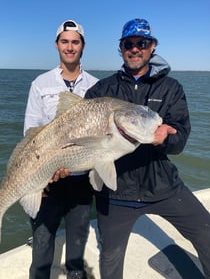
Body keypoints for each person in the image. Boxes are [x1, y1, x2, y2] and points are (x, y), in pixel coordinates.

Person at [84, 18, 210, 279]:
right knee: (110, 258)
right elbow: (82, 135)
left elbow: (180, 138)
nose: (134, 49)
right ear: (121, 49)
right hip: (116, 191)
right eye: (128, 44)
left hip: (163, 186)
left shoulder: (171, 88)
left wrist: (165, 138)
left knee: (206, 231)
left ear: (152, 47)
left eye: (141, 43)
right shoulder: (102, 90)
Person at [24, 20, 98, 279]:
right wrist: (41, 174)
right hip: (48, 178)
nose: (70, 47)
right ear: (57, 45)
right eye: (65, 41)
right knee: (43, 244)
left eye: (75, 42)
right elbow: (30, 133)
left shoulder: (96, 85)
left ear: (83, 46)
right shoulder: (40, 84)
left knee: (77, 244)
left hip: (81, 178)